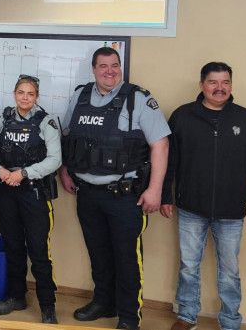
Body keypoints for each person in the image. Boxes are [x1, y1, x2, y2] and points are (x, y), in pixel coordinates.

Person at [58, 47, 170, 330]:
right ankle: (103, 302)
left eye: (115, 65)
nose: (110, 71)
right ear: (93, 69)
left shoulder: (139, 99)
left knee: (127, 258)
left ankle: (130, 318)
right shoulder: (81, 96)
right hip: (87, 193)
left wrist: (155, 189)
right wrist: (65, 171)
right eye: (103, 65)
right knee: (98, 253)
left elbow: (160, 144)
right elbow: (68, 137)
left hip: (126, 196)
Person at [160, 62, 246, 330]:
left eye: (225, 82)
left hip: (231, 211)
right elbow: (168, 160)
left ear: (231, 85)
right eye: (213, 82)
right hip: (190, 208)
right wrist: (166, 196)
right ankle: (187, 317)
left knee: (230, 273)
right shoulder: (183, 116)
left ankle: (230, 322)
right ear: (201, 85)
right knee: (188, 266)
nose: (219, 88)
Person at [0, 74, 62, 324]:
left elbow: (55, 160)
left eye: (30, 94)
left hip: (34, 192)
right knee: (13, 247)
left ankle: (47, 305)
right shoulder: (4, 119)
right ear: (14, 94)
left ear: (37, 96)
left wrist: (23, 173)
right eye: (21, 93)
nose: (25, 98)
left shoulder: (47, 122)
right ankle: (16, 296)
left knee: (39, 251)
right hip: (7, 192)